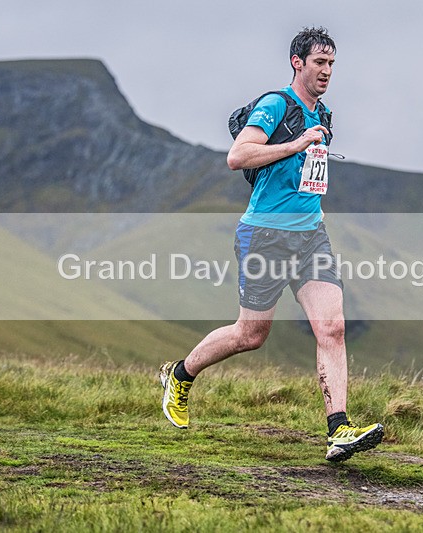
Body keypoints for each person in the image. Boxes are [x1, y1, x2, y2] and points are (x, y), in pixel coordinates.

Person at [159, 27, 383, 462]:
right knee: (250, 334)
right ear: (297, 63)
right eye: (319, 62)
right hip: (263, 235)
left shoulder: (327, 115)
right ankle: (181, 375)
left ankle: (339, 428)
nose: (327, 71)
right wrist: (298, 142)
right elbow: (237, 157)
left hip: (310, 236)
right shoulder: (275, 104)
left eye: (332, 64)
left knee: (332, 328)